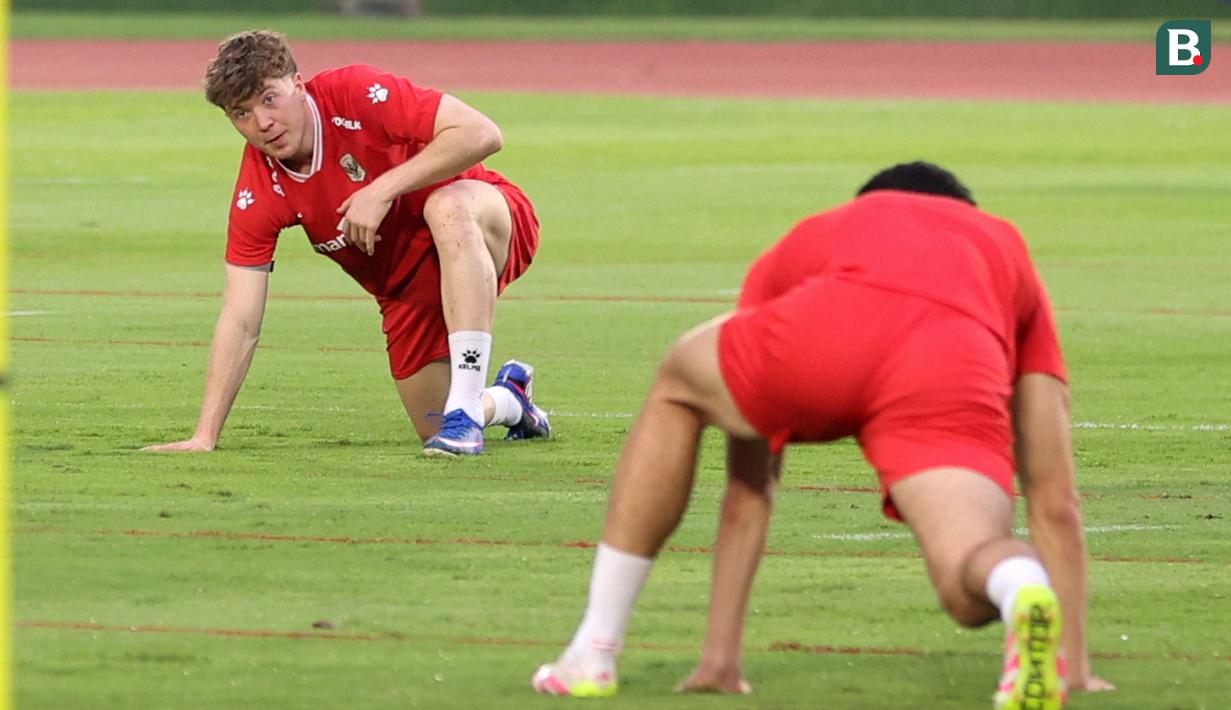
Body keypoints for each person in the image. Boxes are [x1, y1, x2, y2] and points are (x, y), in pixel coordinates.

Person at [532, 163, 1114, 708]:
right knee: (969, 573)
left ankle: (593, 651)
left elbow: (749, 486)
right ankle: (1022, 590)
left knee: (679, 384)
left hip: (832, 330)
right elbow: (1053, 497)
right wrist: (1078, 665)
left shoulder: (821, 231)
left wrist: (721, 660)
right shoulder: (1001, 243)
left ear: (870, 203)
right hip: (951, 360)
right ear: (966, 210)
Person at [143, 30, 550, 457]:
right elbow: (241, 319)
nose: (261, 123)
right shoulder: (259, 190)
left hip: (485, 220)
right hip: (406, 293)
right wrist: (204, 437)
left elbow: (482, 133)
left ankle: (465, 412)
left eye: (268, 99)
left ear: (298, 85)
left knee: (445, 206)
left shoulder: (352, 93)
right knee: (434, 424)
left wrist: (382, 190)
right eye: (242, 113)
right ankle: (507, 400)